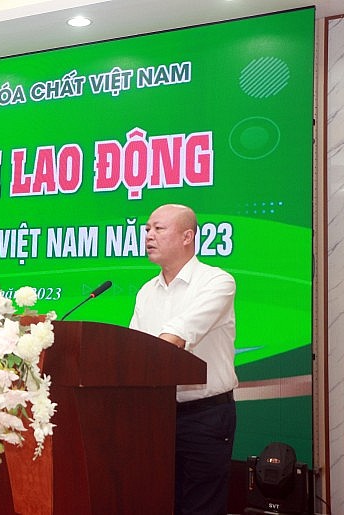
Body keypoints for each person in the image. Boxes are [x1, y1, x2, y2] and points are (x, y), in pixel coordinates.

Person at [129, 204, 237, 515]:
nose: (149, 235)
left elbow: (177, 336)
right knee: (159, 502)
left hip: (205, 416)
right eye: (147, 229)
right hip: (156, 416)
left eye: (158, 228)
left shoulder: (217, 282)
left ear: (187, 236)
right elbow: (131, 349)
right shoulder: (146, 292)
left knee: (200, 507)